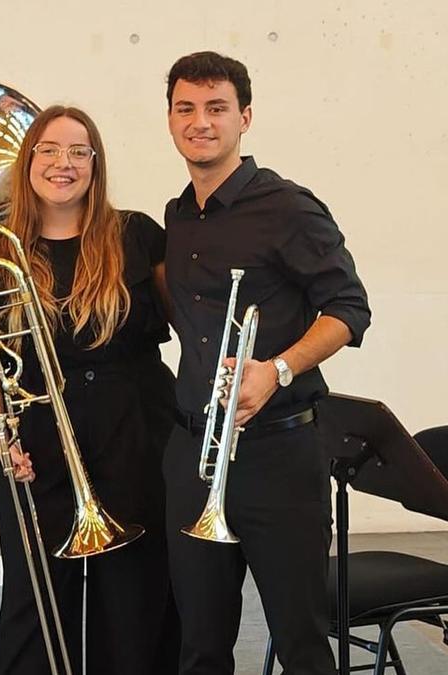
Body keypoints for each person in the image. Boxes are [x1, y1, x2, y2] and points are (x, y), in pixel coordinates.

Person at [161, 51, 371, 674]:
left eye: (217, 108)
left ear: (245, 117)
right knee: (197, 648)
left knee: (302, 646)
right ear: (170, 119)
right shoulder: (177, 216)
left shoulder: (288, 207)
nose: (201, 122)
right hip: (193, 456)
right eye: (186, 108)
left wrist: (276, 368)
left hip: (279, 457)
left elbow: (349, 308)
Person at [0, 105, 179, 675]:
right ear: (28, 161)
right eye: (49, 150)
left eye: (78, 152)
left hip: (134, 429)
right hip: (35, 439)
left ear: (95, 164)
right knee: (33, 608)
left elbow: (188, 323)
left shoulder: (136, 235)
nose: (63, 163)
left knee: (137, 602)